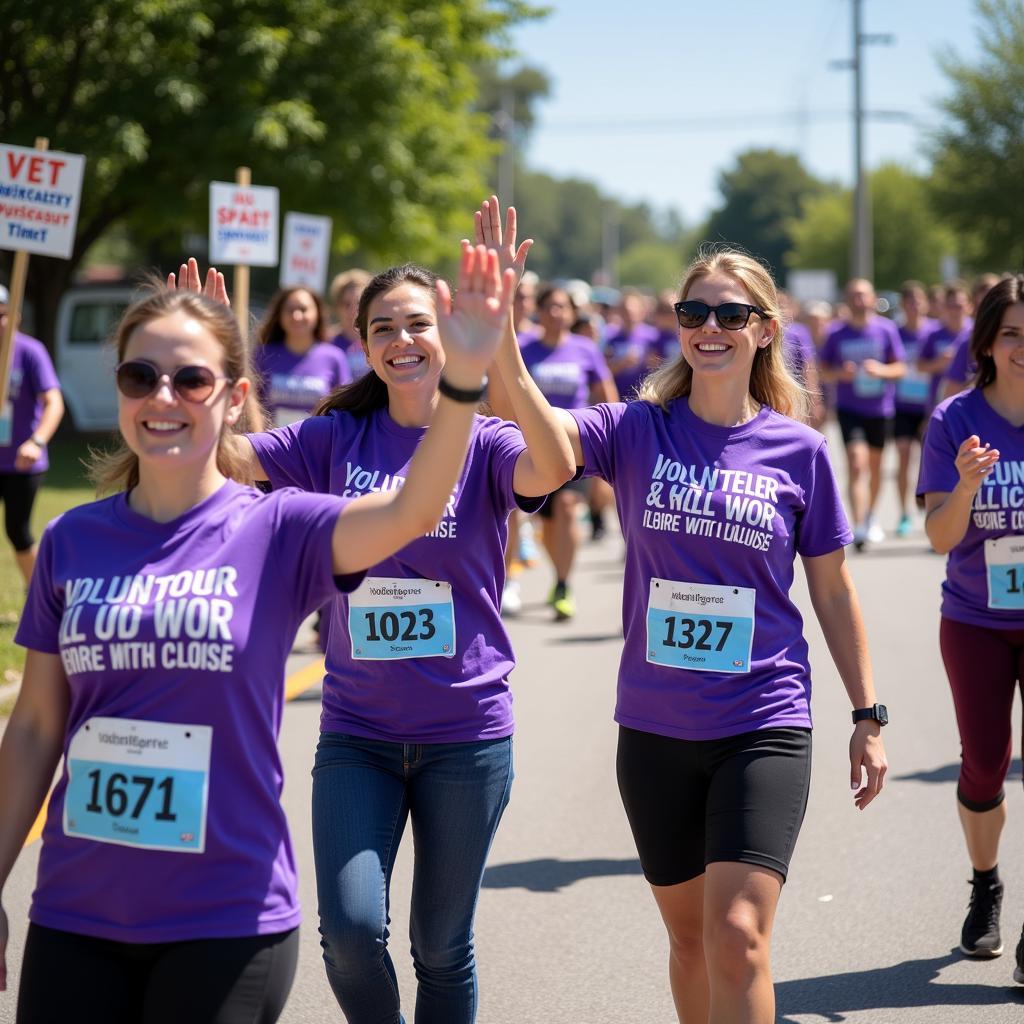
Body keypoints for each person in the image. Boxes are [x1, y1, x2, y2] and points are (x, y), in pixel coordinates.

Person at [0, 247, 515, 1024]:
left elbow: (412, 509)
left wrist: (465, 380)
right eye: (141, 376)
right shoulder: (71, 540)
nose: (162, 395)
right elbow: (36, 726)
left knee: (441, 944)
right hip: (76, 909)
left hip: (224, 912)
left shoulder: (280, 529)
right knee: (356, 934)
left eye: (191, 378)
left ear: (236, 396)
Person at [492, 245, 887, 1024]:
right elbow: (546, 449)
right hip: (655, 723)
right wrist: (501, 335)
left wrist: (867, 714)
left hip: (763, 720)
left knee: (737, 935)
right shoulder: (637, 429)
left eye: (732, 314)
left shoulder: (799, 452)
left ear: (765, 330)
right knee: (689, 943)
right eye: (694, 312)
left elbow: (835, 592)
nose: (711, 327)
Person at [230, 198, 574, 1023]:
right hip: (359, 732)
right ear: (366, 346)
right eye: (382, 327)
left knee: (441, 946)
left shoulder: (487, 442)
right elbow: (233, 460)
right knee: (349, 933)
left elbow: (557, 464)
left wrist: (502, 354)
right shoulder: (331, 441)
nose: (401, 340)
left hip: (467, 734)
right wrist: (213, 356)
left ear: (445, 332)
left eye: (418, 323)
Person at [917, 274, 1024, 981]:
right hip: (977, 620)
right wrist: (966, 487)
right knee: (985, 762)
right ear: (987, 341)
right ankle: (986, 884)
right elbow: (937, 535)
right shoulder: (953, 420)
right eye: (1013, 333)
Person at [518, 284, 617, 618]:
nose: (556, 313)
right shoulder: (523, 347)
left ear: (572, 314)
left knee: (568, 506)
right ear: (540, 312)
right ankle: (557, 573)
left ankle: (563, 583)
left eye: (563, 307)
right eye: (550, 307)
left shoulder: (584, 349)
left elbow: (605, 392)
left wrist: (614, 441)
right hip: (530, 446)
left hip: (576, 446)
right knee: (545, 523)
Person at [819, 278, 906, 549]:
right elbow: (823, 370)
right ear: (847, 300)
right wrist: (840, 374)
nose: (858, 300)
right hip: (849, 409)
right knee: (857, 464)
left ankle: (869, 516)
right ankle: (858, 526)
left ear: (872, 298)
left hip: (880, 409)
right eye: (853, 295)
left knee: (876, 468)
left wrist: (880, 370)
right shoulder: (836, 333)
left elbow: (900, 368)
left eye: (863, 295)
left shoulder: (886, 330)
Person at [0, 284, 65, 585]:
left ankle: (41, 594)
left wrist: (37, 441)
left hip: (21, 463)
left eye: (2, 315)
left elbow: (54, 402)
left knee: (18, 531)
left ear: (15, 316)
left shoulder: (30, 352)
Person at [253, 286, 351, 427]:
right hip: (272, 445)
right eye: (290, 310)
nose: (296, 316)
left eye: (303, 309)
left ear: (317, 313)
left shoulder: (334, 358)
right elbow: (252, 403)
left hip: (318, 446)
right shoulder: (263, 354)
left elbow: (345, 410)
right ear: (279, 315)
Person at [893, 281, 939, 536]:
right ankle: (903, 513)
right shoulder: (896, 333)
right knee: (903, 456)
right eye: (909, 302)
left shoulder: (934, 332)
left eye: (918, 301)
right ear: (903, 305)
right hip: (901, 405)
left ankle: (929, 511)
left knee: (929, 462)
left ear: (926, 304)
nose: (914, 306)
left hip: (929, 406)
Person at [328, 269, 373, 379]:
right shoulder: (327, 342)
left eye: (358, 303)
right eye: (346, 304)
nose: (353, 310)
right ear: (337, 307)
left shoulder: (380, 339)